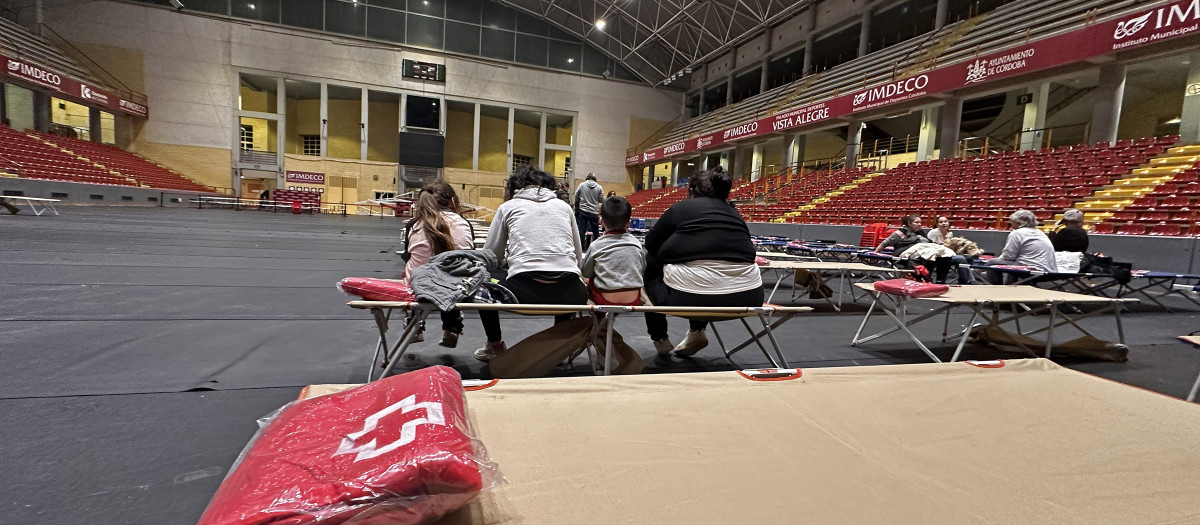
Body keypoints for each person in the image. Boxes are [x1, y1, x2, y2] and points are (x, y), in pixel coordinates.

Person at [642, 167, 762, 357]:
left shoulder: (681, 208)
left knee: (650, 261)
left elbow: (650, 243)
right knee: (704, 266)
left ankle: (660, 338)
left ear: (691, 190)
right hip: (749, 296)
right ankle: (697, 332)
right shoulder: (735, 214)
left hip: (688, 298)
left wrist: (672, 251)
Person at [475, 165, 587, 361]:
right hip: (571, 295)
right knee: (566, 275)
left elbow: (491, 255)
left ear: (514, 187)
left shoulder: (508, 207)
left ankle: (494, 345)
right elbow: (578, 257)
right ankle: (556, 346)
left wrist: (512, 260)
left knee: (482, 281)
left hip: (524, 293)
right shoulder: (564, 207)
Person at [402, 181, 475, 347]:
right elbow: (469, 258)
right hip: (455, 290)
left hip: (420, 289)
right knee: (455, 276)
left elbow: (407, 257)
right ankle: (452, 328)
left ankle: (413, 323)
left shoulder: (413, 225)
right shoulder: (463, 223)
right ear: (453, 202)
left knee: (413, 270)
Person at [581, 196, 645, 306]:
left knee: (590, 280)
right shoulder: (637, 244)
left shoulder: (596, 245)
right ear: (628, 223)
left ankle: (600, 316)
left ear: (601, 222)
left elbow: (586, 272)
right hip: (633, 299)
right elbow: (642, 269)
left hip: (605, 299)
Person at [875, 214, 962, 284]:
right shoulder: (899, 233)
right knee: (928, 257)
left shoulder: (921, 232)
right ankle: (926, 279)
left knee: (944, 257)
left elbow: (929, 243)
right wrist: (875, 254)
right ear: (909, 224)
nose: (920, 224)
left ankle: (940, 282)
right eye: (917, 222)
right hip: (906, 255)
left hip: (923, 252)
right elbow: (884, 244)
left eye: (920, 222)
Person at [986, 209, 1058, 284]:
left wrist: (998, 259)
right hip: (1049, 271)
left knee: (992, 262)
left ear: (1019, 222)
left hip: (1031, 268)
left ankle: (997, 287)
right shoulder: (1040, 232)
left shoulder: (1016, 233)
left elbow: (1009, 256)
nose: (1010, 222)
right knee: (1014, 265)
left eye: (1012, 221)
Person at [927, 215, 975, 284]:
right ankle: (968, 280)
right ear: (937, 224)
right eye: (941, 222)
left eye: (945, 221)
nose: (944, 223)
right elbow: (930, 246)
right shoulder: (933, 232)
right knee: (960, 259)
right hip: (937, 256)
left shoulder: (950, 233)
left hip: (948, 254)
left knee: (968, 257)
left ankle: (963, 279)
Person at [575, 173, 604, 249]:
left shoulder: (582, 185)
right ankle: (596, 247)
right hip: (594, 212)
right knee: (595, 230)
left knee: (581, 230)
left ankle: (581, 247)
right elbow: (601, 200)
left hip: (583, 210)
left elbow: (576, 195)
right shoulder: (599, 187)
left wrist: (580, 201)